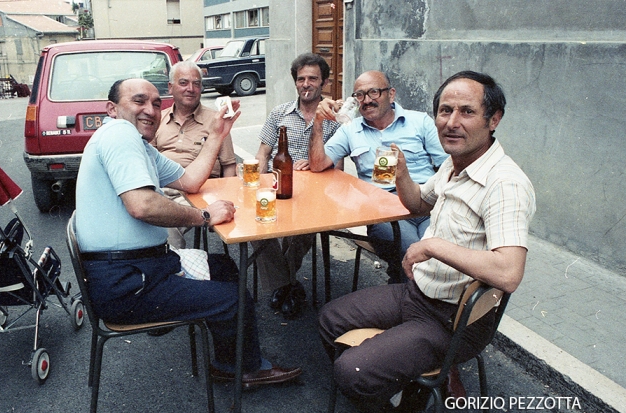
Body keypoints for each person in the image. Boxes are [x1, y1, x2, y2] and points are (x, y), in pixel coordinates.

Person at [318, 71, 536, 413]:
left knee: (350, 371)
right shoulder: (456, 163)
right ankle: (401, 380)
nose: (451, 122)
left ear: (493, 119)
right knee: (329, 319)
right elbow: (419, 203)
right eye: (444, 110)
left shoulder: (505, 183)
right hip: (418, 294)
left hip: (453, 321)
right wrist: (402, 173)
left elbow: (509, 272)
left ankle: (407, 409)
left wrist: (432, 245)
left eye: (466, 112)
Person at [75, 78, 301, 388]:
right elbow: (142, 205)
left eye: (156, 103)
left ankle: (228, 359)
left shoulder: (139, 146)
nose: (151, 110)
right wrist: (204, 216)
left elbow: (191, 181)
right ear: (112, 109)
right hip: (126, 282)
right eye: (139, 101)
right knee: (234, 297)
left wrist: (219, 133)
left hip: (138, 269)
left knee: (224, 267)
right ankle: (245, 369)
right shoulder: (118, 134)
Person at [309, 70, 448, 282]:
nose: (367, 101)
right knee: (417, 252)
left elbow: (447, 167)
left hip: (427, 202)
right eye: (360, 95)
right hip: (384, 212)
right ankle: (419, 301)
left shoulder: (420, 122)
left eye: (374, 92)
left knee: (438, 248)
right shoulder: (350, 129)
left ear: (391, 94)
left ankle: (403, 289)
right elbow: (318, 164)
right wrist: (318, 123)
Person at [253, 53, 341, 319]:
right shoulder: (280, 113)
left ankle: (282, 286)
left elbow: (338, 167)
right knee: (258, 231)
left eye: (312, 78)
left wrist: (315, 164)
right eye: (301, 79)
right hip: (277, 187)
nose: (306, 84)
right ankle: (287, 284)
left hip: (315, 193)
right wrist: (255, 187)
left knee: (301, 231)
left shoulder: (335, 118)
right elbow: (262, 154)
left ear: (324, 82)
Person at [151, 60, 237, 249]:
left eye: (196, 83)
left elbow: (229, 164)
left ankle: (174, 273)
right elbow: (148, 160)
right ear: (170, 87)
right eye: (183, 83)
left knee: (167, 225)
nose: (191, 88)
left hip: (199, 193)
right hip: (162, 190)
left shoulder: (216, 120)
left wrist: (227, 197)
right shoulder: (158, 119)